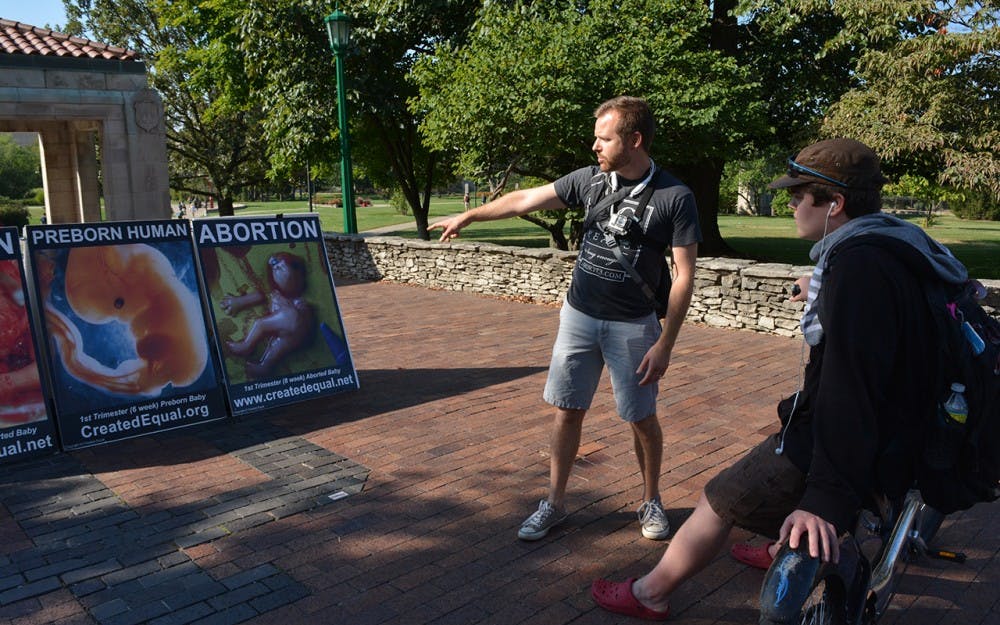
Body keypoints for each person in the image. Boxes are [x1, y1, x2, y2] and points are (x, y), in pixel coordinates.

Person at [590, 138, 969, 620]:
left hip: (839, 439)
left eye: (798, 195)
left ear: (835, 203)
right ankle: (777, 548)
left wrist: (824, 500)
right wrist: (821, 286)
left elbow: (851, 391)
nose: (790, 204)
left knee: (720, 498)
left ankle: (651, 592)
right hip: (901, 429)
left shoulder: (858, 271)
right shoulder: (891, 244)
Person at [430, 96, 702, 542]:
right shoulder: (589, 180)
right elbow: (525, 199)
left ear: (634, 140)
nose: (595, 146)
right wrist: (469, 215)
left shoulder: (675, 196)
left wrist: (665, 344)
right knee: (567, 410)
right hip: (579, 318)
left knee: (640, 417)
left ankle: (651, 500)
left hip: (634, 325)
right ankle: (554, 503)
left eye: (604, 139)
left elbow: (684, 275)